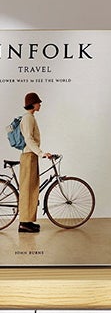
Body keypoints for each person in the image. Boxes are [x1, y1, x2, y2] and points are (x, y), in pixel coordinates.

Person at [16, 92, 51, 235]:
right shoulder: (28, 118)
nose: (40, 105)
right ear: (32, 104)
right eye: (38, 103)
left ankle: (28, 221)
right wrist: (41, 153)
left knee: (31, 189)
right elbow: (29, 139)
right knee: (27, 190)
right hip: (29, 156)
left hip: (31, 156)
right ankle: (24, 224)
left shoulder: (30, 117)